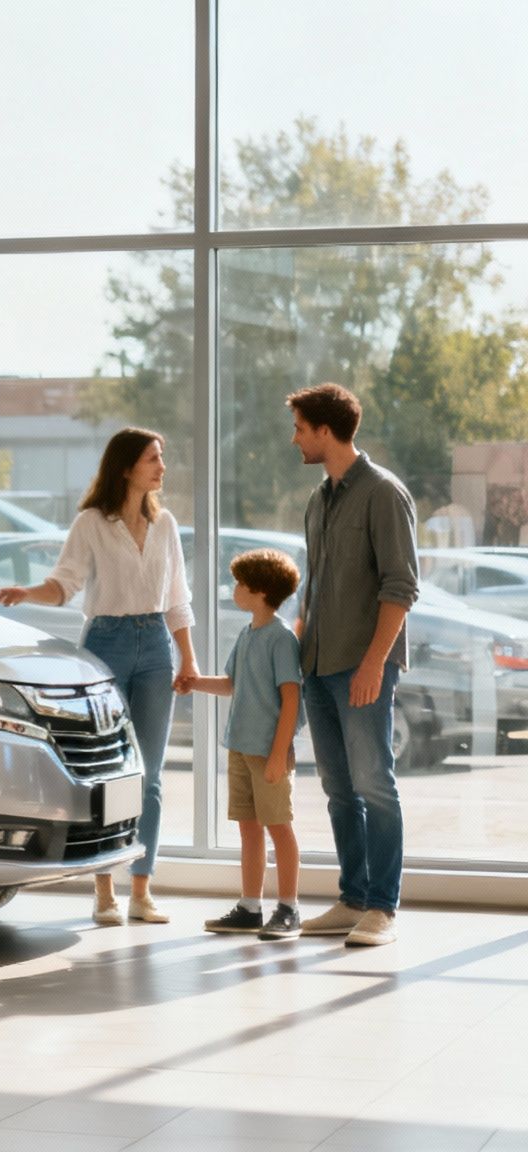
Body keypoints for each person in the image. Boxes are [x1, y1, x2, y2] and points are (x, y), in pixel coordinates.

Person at [0, 428, 196, 926]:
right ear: (126, 468)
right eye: (153, 459)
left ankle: (142, 890)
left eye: (161, 458)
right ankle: (104, 890)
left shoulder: (166, 524)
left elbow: (177, 598)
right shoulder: (91, 522)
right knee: (108, 771)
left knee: (149, 775)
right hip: (106, 645)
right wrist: (28, 593)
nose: (162, 467)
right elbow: (64, 585)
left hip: (155, 646)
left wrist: (188, 659)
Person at [288, 383, 418, 947]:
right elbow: (314, 589)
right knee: (339, 788)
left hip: (363, 666)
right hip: (317, 666)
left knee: (374, 784)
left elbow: (400, 588)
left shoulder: (383, 493)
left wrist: (373, 665)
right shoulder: (318, 500)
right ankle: (353, 898)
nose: (294, 438)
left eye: (300, 428)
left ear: (325, 430)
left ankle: (383, 907)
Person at [187, 549, 306, 940]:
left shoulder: (281, 639)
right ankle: (250, 907)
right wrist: (194, 683)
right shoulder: (247, 633)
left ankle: (288, 908)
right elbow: (231, 684)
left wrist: (278, 754)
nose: (234, 589)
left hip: (267, 753)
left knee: (279, 828)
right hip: (239, 747)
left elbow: (291, 698)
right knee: (249, 829)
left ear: (260, 591)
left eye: (240, 584)